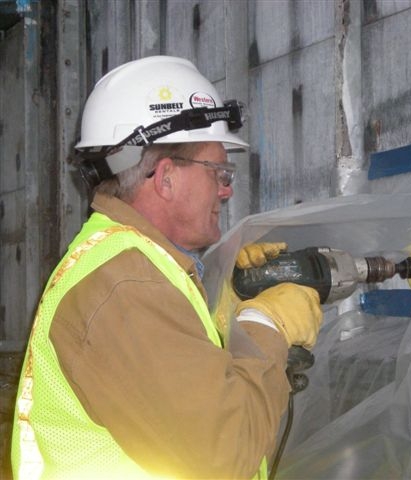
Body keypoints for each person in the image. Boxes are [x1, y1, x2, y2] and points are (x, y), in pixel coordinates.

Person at [11, 55, 323, 479]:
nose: (226, 190)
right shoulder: (127, 288)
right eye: (218, 171)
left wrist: (222, 295)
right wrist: (265, 325)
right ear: (166, 178)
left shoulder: (131, 264)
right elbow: (226, 454)